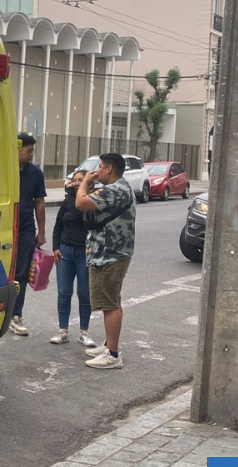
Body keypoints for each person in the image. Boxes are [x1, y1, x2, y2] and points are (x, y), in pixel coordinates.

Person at [75, 153, 136, 369]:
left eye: (99, 167)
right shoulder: (120, 187)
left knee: (109, 304)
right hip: (111, 253)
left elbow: (81, 203)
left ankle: (113, 354)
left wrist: (84, 181)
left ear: (109, 169)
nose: (97, 170)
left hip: (109, 254)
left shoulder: (114, 190)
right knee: (112, 302)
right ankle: (109, 344)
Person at [49, 170, 96, 347]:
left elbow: (86, 220)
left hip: (85, 252)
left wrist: (77, 194)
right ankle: (63, 331)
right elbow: (58, 226)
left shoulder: (91, 201)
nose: (76, 183)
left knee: (84, 294)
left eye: (81, 180)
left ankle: (84, 332)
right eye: (75, 180)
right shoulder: (67, 202)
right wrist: (55, 248)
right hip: (65, 252)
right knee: (64, 292)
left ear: (89, 182)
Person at [9, 133, 47, 336]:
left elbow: (39, 202)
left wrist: (41, 232)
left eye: (33, 150)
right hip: (2, 229)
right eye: (28, 150)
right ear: (17, 149)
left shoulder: (36, 173)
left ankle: (16, 315)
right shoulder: (4, 170)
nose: (32, 154)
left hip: (25, 229)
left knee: (21, 273)